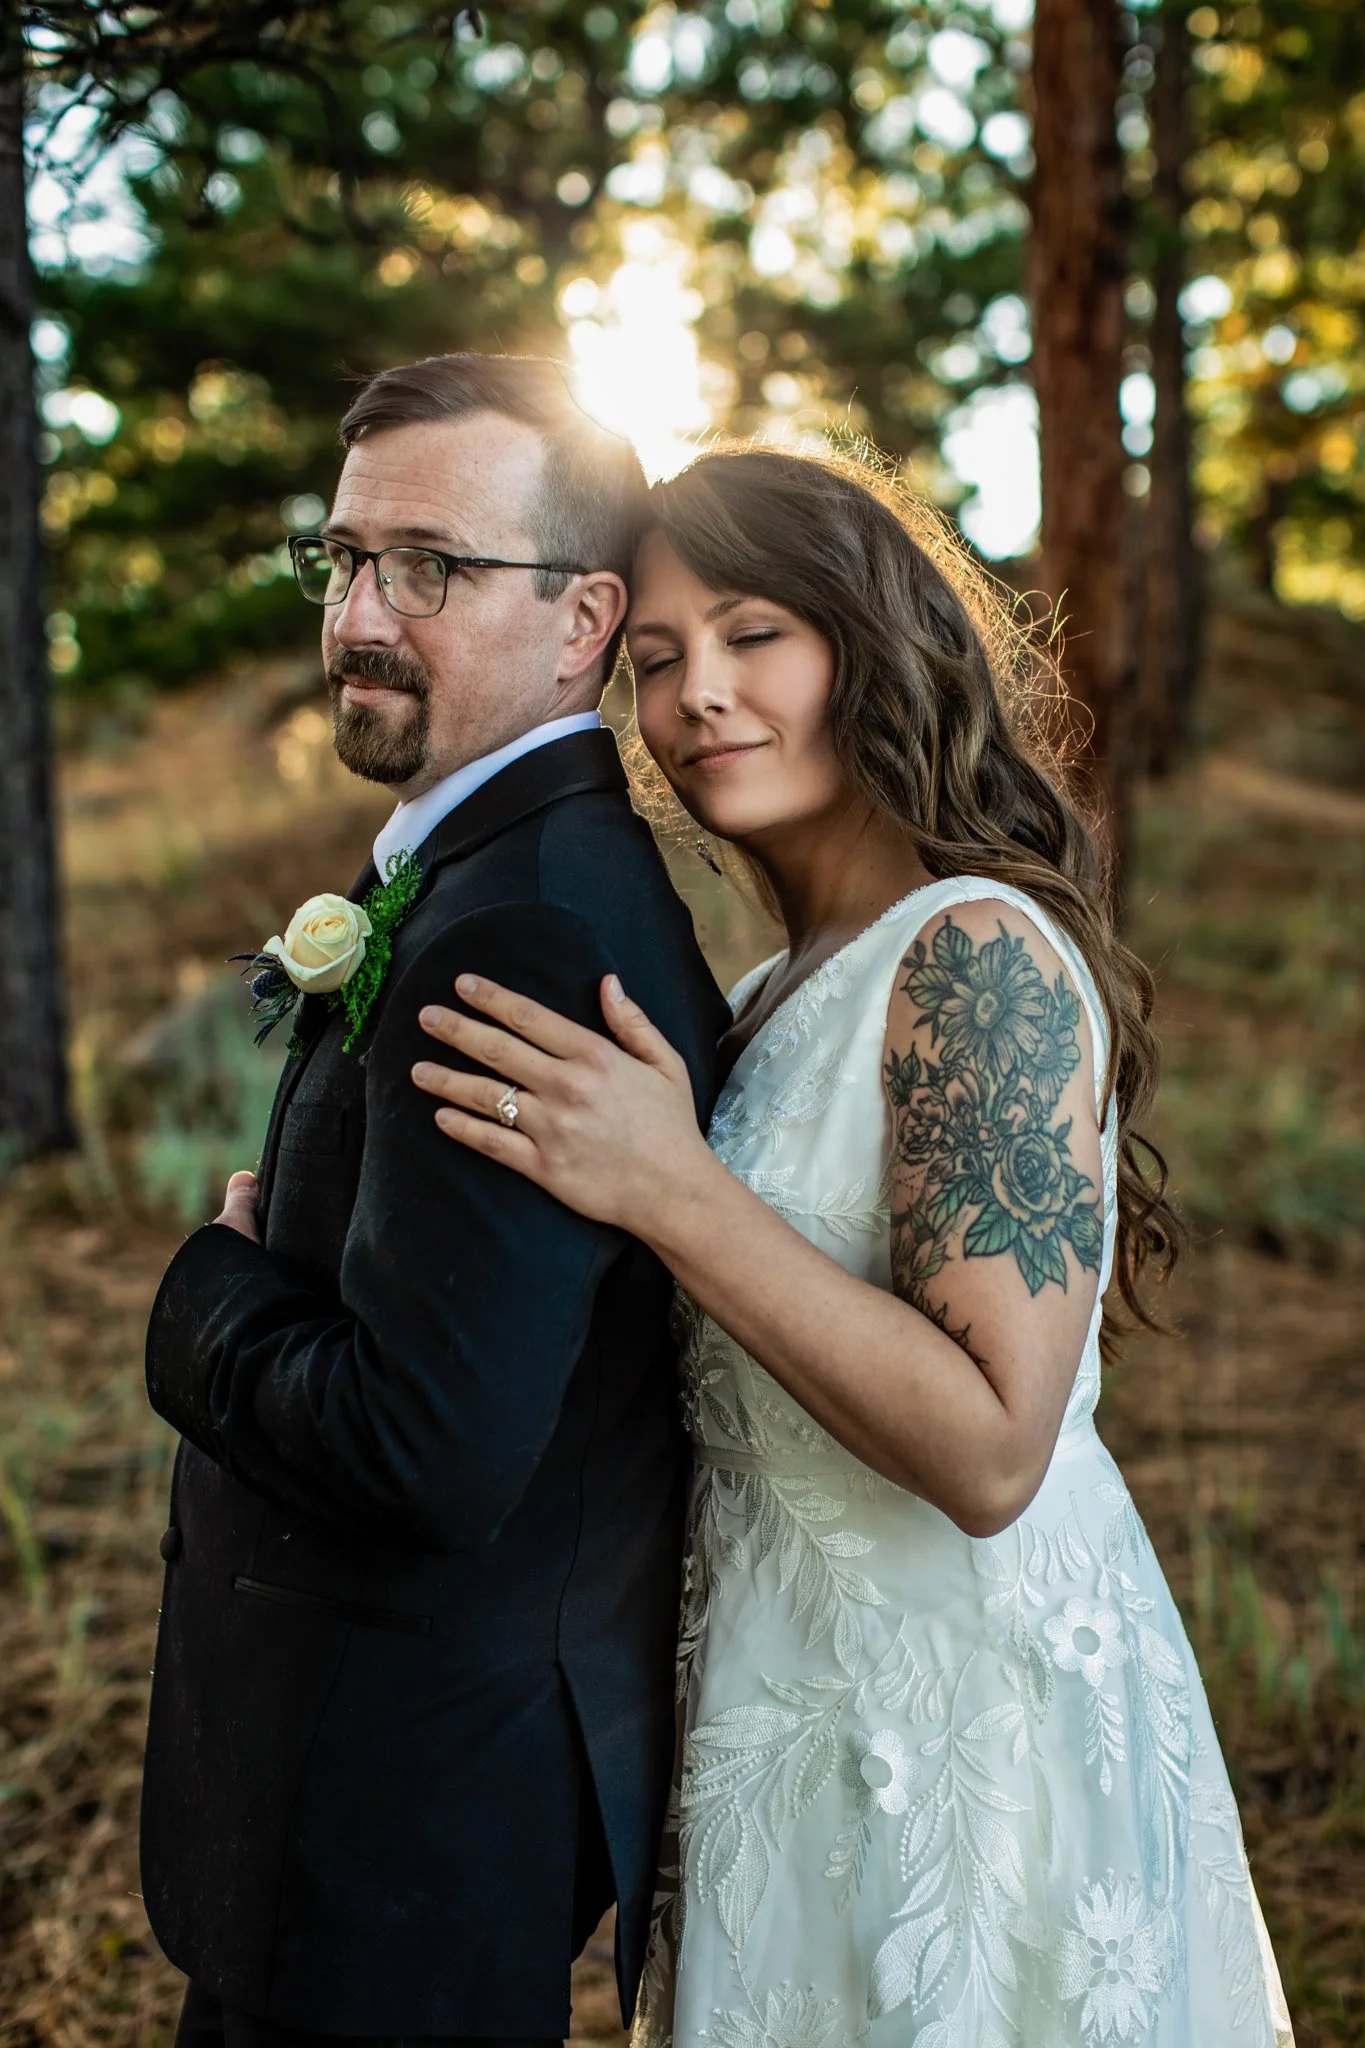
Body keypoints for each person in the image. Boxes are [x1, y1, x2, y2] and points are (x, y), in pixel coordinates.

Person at [411, 446, 1296, 2047]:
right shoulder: (765, 1000)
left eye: (755, 635)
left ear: (869, 646)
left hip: (968, 1751)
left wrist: (672, 1187)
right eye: (660, 662)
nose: (698, 701)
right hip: (781, 1720)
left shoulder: (973, 956)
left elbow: (990, 1448)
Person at [141, 354, 731, 2048]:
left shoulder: (527, 923)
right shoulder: (468, 866)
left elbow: (429, 1445)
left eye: (432, 568)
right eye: (341, 560)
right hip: (357, 1788)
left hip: (400, 1817)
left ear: (581, 619)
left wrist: (207, 1306)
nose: (359, 618)